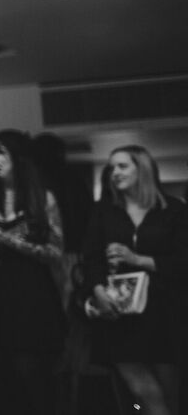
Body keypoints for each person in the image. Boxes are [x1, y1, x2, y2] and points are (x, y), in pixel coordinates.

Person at [0, 129, 65, 415]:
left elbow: (56, 253)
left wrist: (11, 241)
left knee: (29, 372)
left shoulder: (42, 198)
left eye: (0, 152)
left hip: (28, 295)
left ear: (18, 157)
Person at [83, 145, 188, 415]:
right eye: (111, 168)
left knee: (169, 392)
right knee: (141, 390)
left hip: (164, 312)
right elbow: (91, 259)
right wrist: (98, 291)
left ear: (141, 168)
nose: (114, 173)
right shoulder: (105, 211)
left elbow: (182, 261)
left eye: (122, 166)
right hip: (122, 314)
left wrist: (137, 259)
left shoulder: (173, 210)